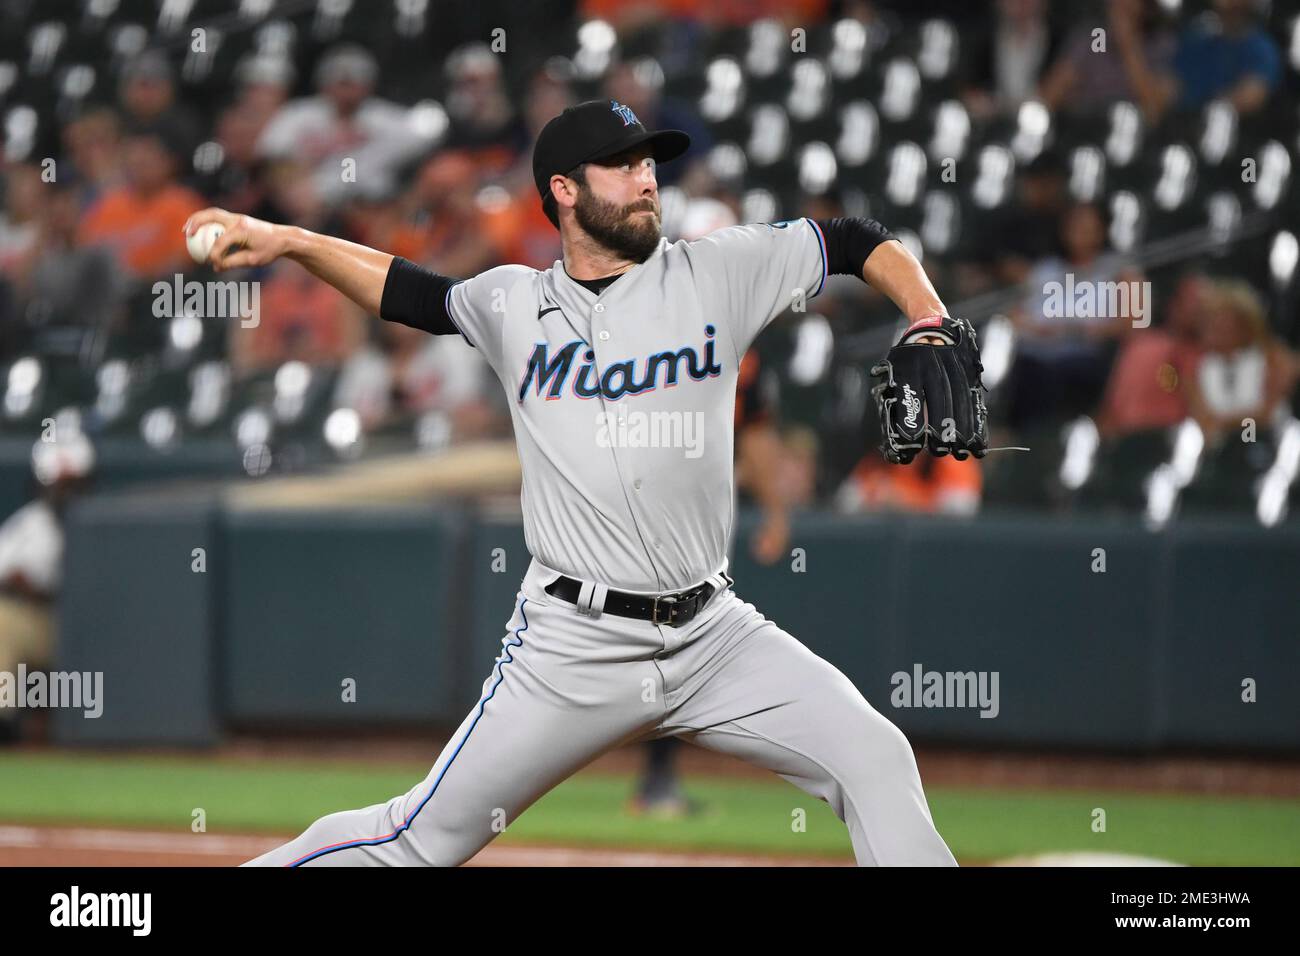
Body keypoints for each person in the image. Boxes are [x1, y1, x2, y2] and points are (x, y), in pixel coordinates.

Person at [187, 98, 963, 867]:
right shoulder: (512, 304)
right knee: (419, 839)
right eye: (622, 166)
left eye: (649, 163)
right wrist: (288, 240)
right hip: (573, 646)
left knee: (874, 757)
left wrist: (926, 317)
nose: (646, 179)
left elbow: (856, 241)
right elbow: (407, 292)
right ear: (564, 189)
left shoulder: (717, 272)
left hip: (714, 633)